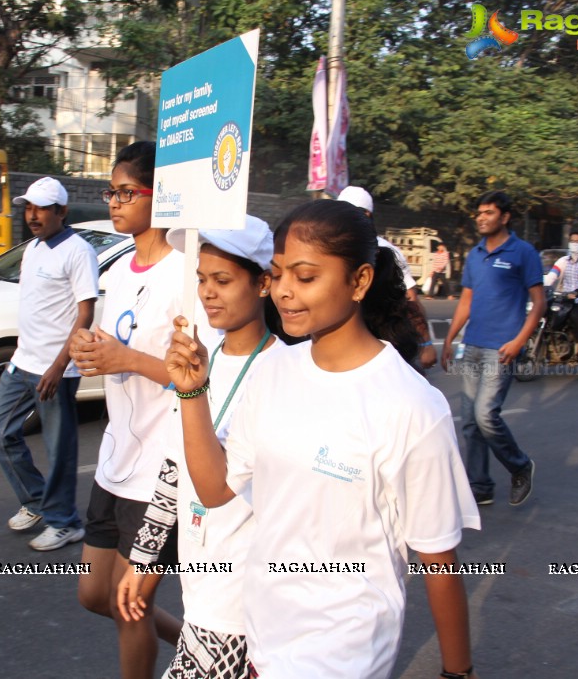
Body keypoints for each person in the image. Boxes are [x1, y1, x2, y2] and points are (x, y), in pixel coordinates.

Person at [167, 199, 480, 679]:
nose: (285, 293)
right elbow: (215, 490)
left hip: (346, 651)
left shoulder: (411, 406)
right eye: (278, 275)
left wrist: (457, 673)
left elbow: (438, 558)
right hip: (263, 638)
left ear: (359, 281)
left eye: (306, 277)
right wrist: (192, 392)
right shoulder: (272, 372)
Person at [69, 141, 215, 679]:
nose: (114, 201)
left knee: (129, 607)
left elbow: (201, 377)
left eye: (127, 192)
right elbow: (120, 345)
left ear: (162, 197)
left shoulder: (189, 274)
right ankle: (197, 644)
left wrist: (126, 357)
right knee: (94, 594)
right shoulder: (121, 269)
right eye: (112, 191)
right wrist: (94, 350)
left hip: (162, 467)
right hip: (116, 457)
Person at [116, 215, 284, 679]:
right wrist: (142, 563)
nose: (208, 292)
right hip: (200, 599)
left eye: (223, 280)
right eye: (202, 279)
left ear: (264, 283)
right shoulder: (198, 359)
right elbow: (174, 471)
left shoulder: (285, 372)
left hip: (247, 608)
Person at [0, 176, 98, 551]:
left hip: (57, 370)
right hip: (22, 362)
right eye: (29, 208)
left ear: (61, 212)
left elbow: (84, 314)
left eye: (41, 209)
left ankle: (65, 522)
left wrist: (57, 366)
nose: (33, 216)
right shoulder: (33, 248)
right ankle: (36, 502)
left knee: (59, 448)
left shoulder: (77, 251)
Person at [441, 191, 544, 507]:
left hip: (501, 350)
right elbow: (467, 300)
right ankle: (480, 487)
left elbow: (539, 304)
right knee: (470, 422)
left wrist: (518, 341)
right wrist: (449, 339)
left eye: (488, 212)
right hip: (472, 345)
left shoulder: (523, 252)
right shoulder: (474, 255)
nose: (481, 218)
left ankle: (519, 465)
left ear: (505, 217)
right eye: (479, 213)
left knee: (486, 415)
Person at [338, 186, 437, 369]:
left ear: (366, 215)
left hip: (384, 345)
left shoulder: (387, 252)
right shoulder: (332, 251)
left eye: (349, 213)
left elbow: (411, 299)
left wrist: (425, 343)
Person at [542, 231, 578, 360]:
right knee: (546, 313)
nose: (574, 244)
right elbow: (552, 276)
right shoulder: (563, 261)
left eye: (577, 241)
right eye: (572, 241)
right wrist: (538, 284)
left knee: (575, 315)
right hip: (564, 297)